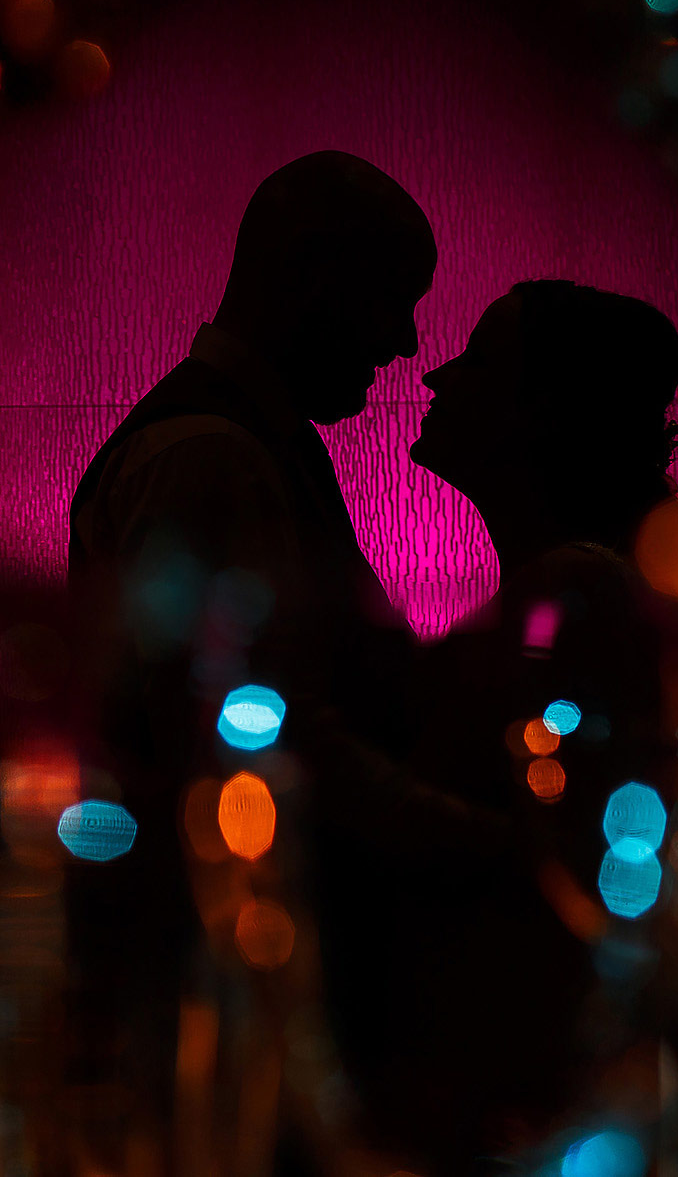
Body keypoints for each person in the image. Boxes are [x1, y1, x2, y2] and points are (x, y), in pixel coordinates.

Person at [63, 152, 504, 1176]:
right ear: (309, 273)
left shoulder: (227, 444)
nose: (404, 343)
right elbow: (264, 746)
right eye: (392, 302)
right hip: (237, 994)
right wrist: (484, 847)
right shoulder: (211, 456)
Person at [402, 280, 678, 1176]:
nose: (435, 376)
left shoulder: (573, 601)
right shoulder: (585, 589)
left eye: (477, 360)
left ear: (542, 413)